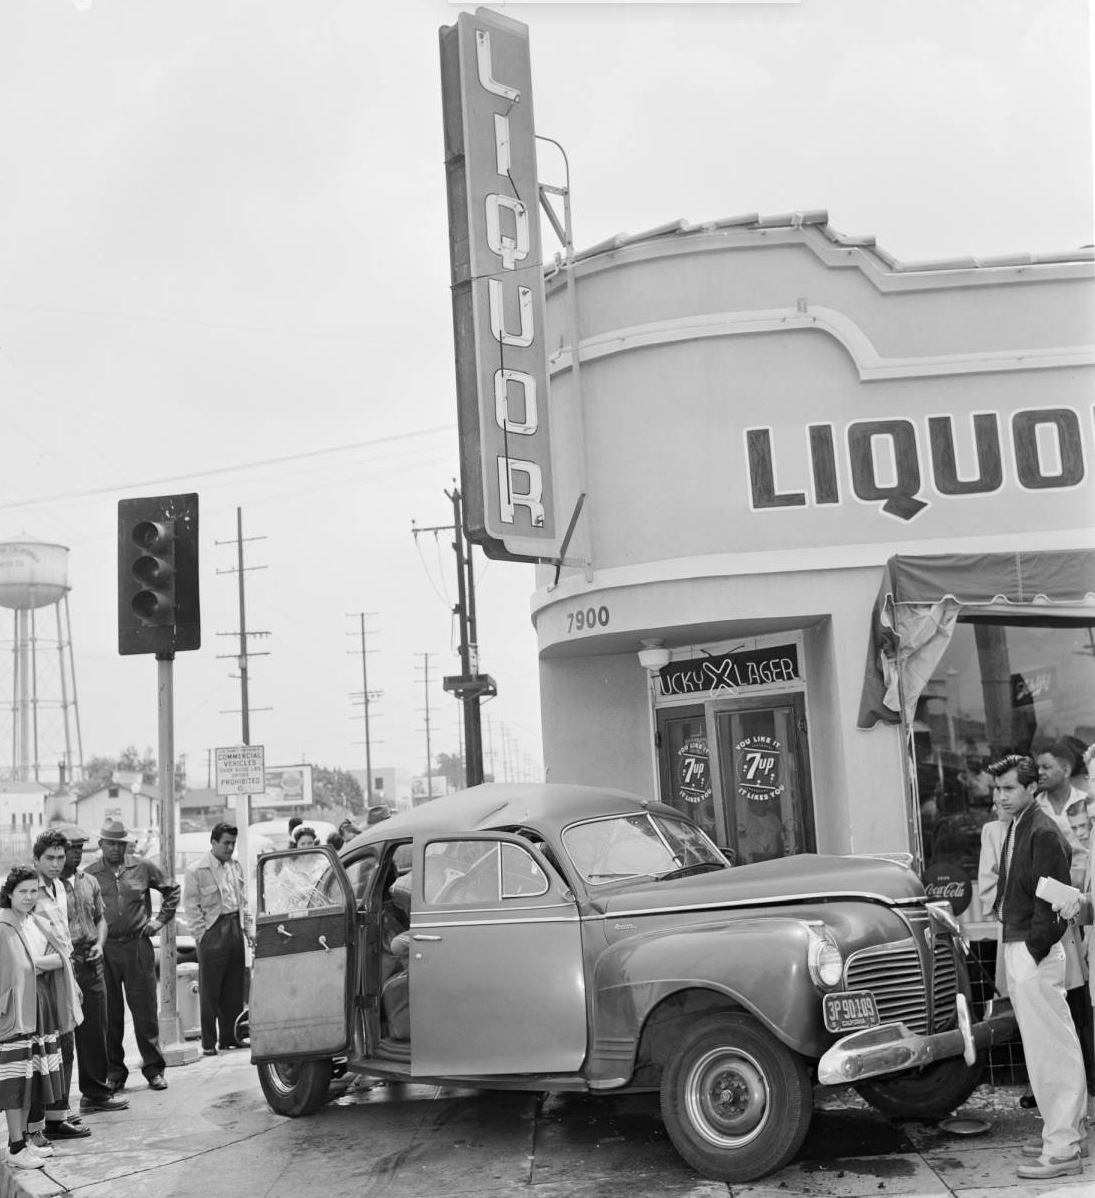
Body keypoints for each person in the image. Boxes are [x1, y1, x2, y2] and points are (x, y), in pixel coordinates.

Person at [987, 753, 1087, 1180]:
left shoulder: (1041, 830)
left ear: (1031, 789)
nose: (1001, 796)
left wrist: (1033, 949)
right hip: (1025, 946)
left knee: (1052, 1051)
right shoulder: (1022, 825)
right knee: (1044, 1048)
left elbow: (1055, 900)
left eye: (1009, 788)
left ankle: (1063, 1147)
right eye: (997, 789)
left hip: (1035, 950)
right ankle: (1060, 1134)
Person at [86, 818, 180, 1093]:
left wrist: (160, 921)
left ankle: (154, 1069)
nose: (115, 848)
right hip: (106, 949)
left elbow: (171, 889)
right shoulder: (90, 874)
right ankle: (115, 1072)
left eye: (120, 844)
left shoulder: (142, 866)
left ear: (126, 845)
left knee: (146, 1013)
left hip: (137, 946)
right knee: (110, 1016)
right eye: (110, 843)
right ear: (101, 844)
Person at [0, 865, 77, 1170]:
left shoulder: (29, 921)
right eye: (23, 891)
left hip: (28, 1011)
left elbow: (59, 956)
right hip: (12, 1015)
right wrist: (44, 963)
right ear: (9, 893)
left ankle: (19, 1144)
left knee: (25, 1080)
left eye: (34, 891)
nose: (29, 897)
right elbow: (20, 969)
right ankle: (17, 1147)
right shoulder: (5, 925)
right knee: (14, 1084)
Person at [56, 825, 130, 1118]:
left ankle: (96, 1093)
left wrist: (100, 944)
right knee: (64, 1036)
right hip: (65, 962)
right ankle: (59, 1105)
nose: (75, 853)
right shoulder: (49, 886)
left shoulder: (89, 882)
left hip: (91, 959)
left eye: (78, 847)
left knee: (96, 1030)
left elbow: (101, 919)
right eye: (70, 848)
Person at [31, 829, 90, 1143]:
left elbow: (64, 936)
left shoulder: (60, 887)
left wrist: (72, 978)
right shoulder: (27, 889)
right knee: (42, 1050)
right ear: (36, 858)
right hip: (38, 978)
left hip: (64, 973)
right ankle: (38, 1123)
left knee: (66, 1046)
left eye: (59, 857)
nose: (55, 863)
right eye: (49, 858)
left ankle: (59, 1115)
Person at [182, 822, 250, 1056]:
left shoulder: (236, 866)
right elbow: (191, 907)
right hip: (213, 929)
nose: (230, 848)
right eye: (226, 843)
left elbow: (243, 900)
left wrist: (246, 929)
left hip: (234, 927)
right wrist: (202, 935)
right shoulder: (197, 870)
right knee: (210, 991)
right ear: (213, 842)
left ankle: (229, 1037)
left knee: (234, 987)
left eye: (233, 843)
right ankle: (209, 1043)